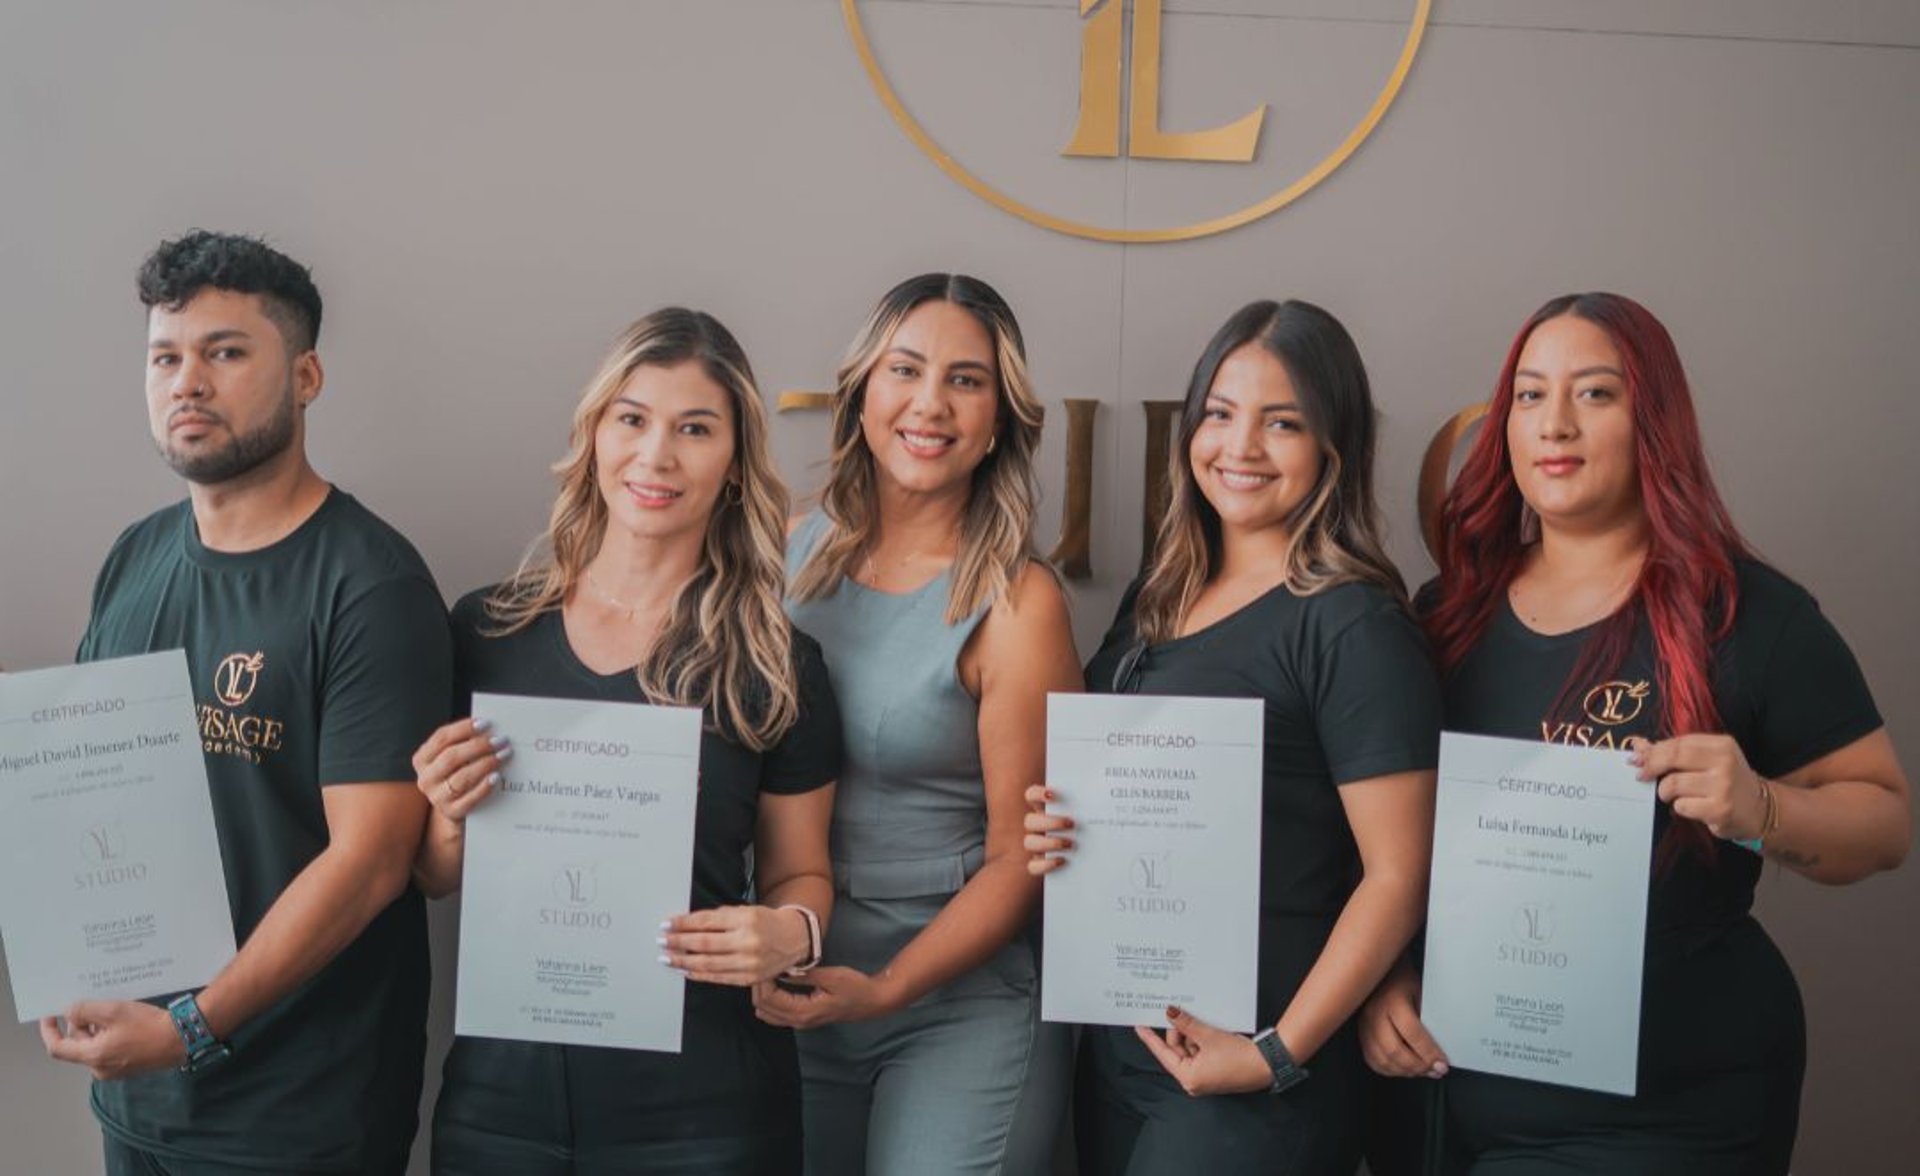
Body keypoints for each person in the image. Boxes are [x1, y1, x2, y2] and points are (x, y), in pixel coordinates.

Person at [1357, 292, 1911, 1175]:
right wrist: (1379, 981)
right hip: (1445, 1099)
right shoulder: (1445, 617)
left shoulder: (1746, 614)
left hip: (1666, 1113)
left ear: (1653, 419)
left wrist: (1762, 808)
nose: (1557, 424)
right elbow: (1390, 844)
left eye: (1597, 394)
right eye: (1531, 397)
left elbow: (1884, 825)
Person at [41, 230, 452, 1175]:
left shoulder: (370, 584)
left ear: (305, 376)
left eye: (226, 353)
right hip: (139, 1089)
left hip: (300, 1113)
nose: (188, 382)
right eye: (165, 357)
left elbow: (372, 864)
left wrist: (191, 1026)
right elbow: (88, 792)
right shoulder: (134, 558)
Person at [412, 307, 842, 1175]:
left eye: (695, 429)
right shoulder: (485, 631)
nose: (656, 456)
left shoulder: (775, 661)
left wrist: (792, 933)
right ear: (595, 434)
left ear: (732, 462)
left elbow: (803, 873)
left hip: (707, 1116)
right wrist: (445, 815)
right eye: (633, 420)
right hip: (505, 1107)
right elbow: (433, 874)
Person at [1026, 299, 1442, 1175]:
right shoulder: (1161, 593)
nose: (1240, 446)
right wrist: (1061, 826)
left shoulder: (1351, 622)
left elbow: (1399, 876)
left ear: (1336, 448)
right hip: (1124, 1051)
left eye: (1281, 422)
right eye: (1219, 414)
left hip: (1260, 1073)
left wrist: (1275, 1053)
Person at [757, 273, 1082, 1175]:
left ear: (1000, 419)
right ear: (862, 389)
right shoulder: (777, 555)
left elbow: (1023, 855)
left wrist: (886, 990)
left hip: (953, 1007)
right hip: (783, 993)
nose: (929, 403)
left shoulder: (1019, 602)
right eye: (905, 369)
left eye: (966, 380)